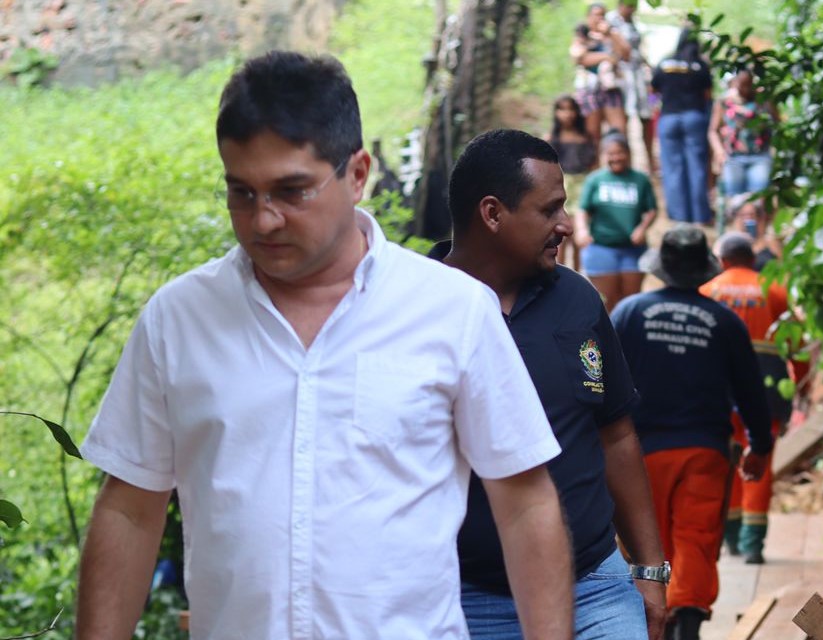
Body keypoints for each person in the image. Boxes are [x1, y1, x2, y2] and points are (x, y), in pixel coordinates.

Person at [74, 52, 574, 640]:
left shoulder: (453, 311)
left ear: (357, 174)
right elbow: (130, 511)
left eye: (292, 191)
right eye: (242, 192)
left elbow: (525, 504)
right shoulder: (179, 319)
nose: (264, 220)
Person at [438, 128, 668, 640]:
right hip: (466, 598)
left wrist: (650, 569)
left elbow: (616, 436)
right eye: (549, 210)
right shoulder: (415, 310)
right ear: (492, 214)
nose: (565, 224)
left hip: (595, 588)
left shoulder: (578, 301)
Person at [610, 225, 773, 640]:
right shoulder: (724, 322)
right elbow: (751, 391)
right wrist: (759, 445)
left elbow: (603, 382)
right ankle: (688, 618)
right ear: (703, 269)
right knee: (697, 536)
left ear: (662, 268)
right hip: (705, 451)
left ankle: (655, 617)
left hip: (639, 453)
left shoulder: (629, 313)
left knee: (648, 540)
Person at [699, 231, 810, 564]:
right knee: (759, 460)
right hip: (767, 389)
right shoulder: (774, 290)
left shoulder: (707, 291)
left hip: (718, 390)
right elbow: (798, 347)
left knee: (726, 460)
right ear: (752, 259)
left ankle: (731, 537)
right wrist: (800, 384)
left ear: (723, 260)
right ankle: (753, 545)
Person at [575, 132, 657, 312]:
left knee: (630, 303)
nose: (616, 157)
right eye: (610, 153)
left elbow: (652, 210)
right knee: (605, 304)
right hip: (601, 248)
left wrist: (642, 228)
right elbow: (583, 210)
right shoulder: (595, 179)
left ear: (628, 153)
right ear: (603, 155)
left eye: (620, 152)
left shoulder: (641, 179)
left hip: (633, 250)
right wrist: (582, 230)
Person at [651, 27, 714, 225]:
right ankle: (700, 216)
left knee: (672, 168)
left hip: (669, 118)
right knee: (697, 167)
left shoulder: (665, 63)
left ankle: (679, 217)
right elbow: (708, 96)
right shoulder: (700, 65)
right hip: (694, 118)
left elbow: (653, 90)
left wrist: (658, 106)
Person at [546, 94, 598, 271]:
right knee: (559, 239)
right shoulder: (552, 139)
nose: (567, 114)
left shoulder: (586, 138)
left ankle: (575, 275)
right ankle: (559, 274)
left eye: (571, 109)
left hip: (582, 188)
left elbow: (594, 167)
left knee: (577, 236)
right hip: (560, 189)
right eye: (562, 109)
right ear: (556, 113)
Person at [709, 69, 780, 196]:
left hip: (760, 156)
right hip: (733, 157)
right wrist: (719, 151)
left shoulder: (762, 100)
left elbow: (777, 122)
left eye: (747, 85)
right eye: (741, 85)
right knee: (735, 198)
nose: (744, 89)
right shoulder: (724, 102)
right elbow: (713, 131)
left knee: (759, 196)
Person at [570, 2, 631, 150]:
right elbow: (580, 59)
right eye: (596, 15)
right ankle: (594, 164)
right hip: (589, 88)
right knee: (592, 136)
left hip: (611, 88)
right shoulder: (582, 34)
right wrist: (607, 56)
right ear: (588, 16)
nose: (600, 18)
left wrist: (611, 33)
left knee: (620, 132)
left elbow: (625, 55)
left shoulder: (612, 34)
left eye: (603, 15)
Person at [606, 0, 656, 173]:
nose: (631, 8)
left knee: (646, 117)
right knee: (623, 119)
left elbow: (638, 51)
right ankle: (625, 161)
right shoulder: (611, 21)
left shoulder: (634, 22)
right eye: (628, 5)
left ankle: (650, 161)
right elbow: (622, 51)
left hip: (638, 75)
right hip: (621, 75)